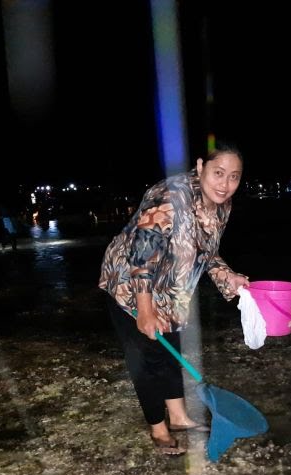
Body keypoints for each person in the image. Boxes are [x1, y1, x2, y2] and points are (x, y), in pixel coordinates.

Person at [98, 143, 250, 456]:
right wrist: (144, 310)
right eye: (218, 173)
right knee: (146, 358)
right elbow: (142, 253)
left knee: (172, 350)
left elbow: (206, 253)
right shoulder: (172, 197)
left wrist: (229, 278)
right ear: (200, 167)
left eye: (234, 177)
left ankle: (179, 417)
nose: (225, 184)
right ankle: (158, 428)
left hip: (171, 287)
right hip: (131, 284)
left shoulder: (222, 205)